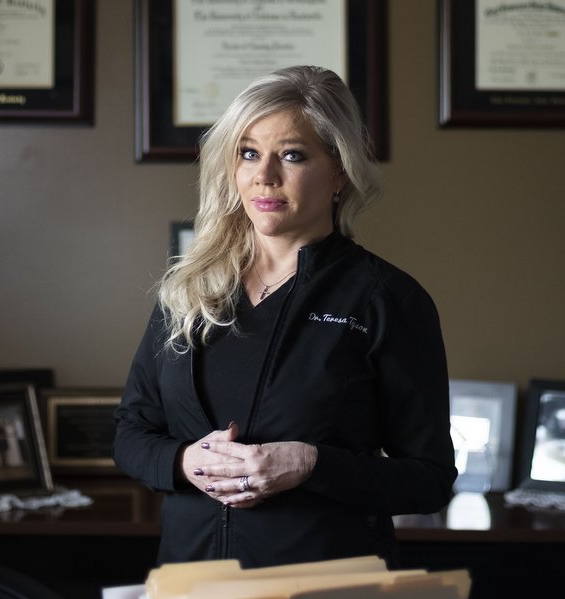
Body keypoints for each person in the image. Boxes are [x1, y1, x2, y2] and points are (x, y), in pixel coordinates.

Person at [114, 65, 456, 568]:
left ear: (339, 171)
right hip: (193, 579)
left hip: (322, 586)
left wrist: (310, 464)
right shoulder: (189, 289)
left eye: (292, 155)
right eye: (248, 153)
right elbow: (131, 432)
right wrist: (185, 461)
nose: (264, 175)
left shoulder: (386, 299)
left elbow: (429, 480)